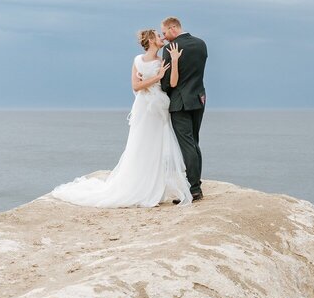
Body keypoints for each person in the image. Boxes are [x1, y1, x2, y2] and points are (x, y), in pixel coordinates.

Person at [50, 29, 193, 207]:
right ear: (150, 40)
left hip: (158, 108)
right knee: (139, 143)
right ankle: (139, 187)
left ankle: (154, 186)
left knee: (157, 146)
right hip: (143, 108)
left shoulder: (162, 60)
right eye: (158, 35)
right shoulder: (137, 60)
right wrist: (156, 77)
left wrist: (173, 63)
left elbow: (170, 83)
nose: (162, 37)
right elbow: (136, 85)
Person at [160, 17, 207, 201]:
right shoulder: (201, 44)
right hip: (198, 99)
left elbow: (167, 84)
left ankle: (193, 190)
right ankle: (197, 187)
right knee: (194, 143)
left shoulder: (171, 49)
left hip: (180, 102)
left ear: (173, 28)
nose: (164, 37)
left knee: (187, 145)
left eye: (164, 32)